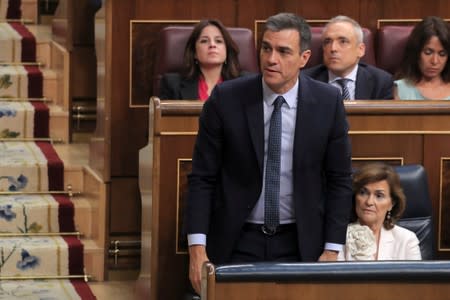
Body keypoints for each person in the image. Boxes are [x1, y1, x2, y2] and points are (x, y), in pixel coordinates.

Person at [185, 12, 353, 295]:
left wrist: (332, 249)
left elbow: (339, 180)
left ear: (304, 57)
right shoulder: (226, 99)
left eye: (283, 51)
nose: (271, 59)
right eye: (266, 48)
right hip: (236, 238)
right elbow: (202, 177)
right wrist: (197, 249)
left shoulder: (328, 102)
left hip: (301, 242)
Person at [338, 162, 421, 261]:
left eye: (379, 196)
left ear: (392, 203)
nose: (369, 202)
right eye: (363, 193)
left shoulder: (407, 240)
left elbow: (416, 276)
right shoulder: (339, 238)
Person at [303, 15, 393, 100]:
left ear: (360, 50)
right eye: (327, 42)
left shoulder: (381, 82)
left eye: (343, 41)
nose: (333, 48)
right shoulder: (305, 81)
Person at [159, 19, 241, 101]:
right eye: (204, 41)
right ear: (194, 52)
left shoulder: (245, 83)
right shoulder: (172, 84)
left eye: (218, 41)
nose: (212, 45)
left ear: (227, 51)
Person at [394, 16, 450, 100]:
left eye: (442, 54)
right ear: (416, 52)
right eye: (428, 53)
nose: (434, 61)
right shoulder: (400, 89)